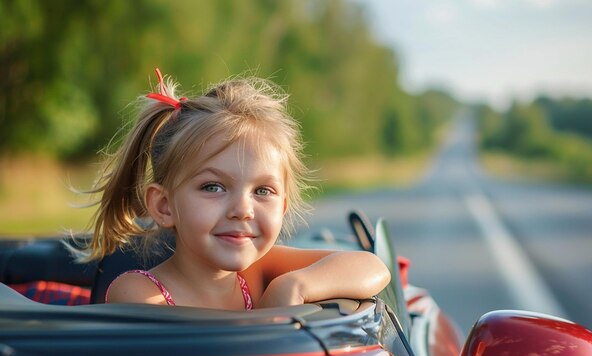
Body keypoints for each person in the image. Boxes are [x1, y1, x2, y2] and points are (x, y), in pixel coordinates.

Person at [78, 68, 390, 310]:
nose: (243, 209)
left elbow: (372, 266)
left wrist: (295, 286)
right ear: (163, 206)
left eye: (263, 191)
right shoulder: (139, 293)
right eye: (213, 187)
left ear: (282, 206)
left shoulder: (259, 272)